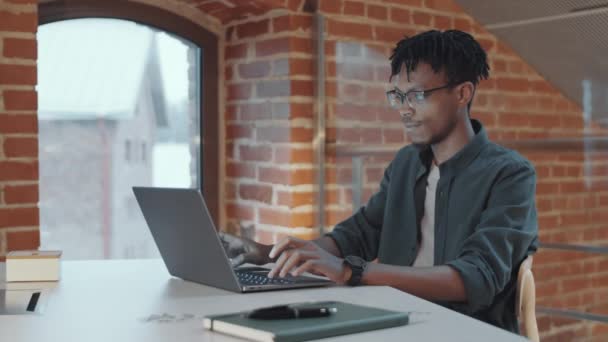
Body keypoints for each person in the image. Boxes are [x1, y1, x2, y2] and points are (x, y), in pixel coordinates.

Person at [220, 29, 538, 333]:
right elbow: (358, 234)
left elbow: (477, 277)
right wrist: (266, 253)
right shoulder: (406, 163)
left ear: (462, 93)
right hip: (393, 318)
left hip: (465, 329)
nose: (404, 109)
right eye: (398, 96)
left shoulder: (510, 174)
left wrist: (351, 271)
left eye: (417, 95)